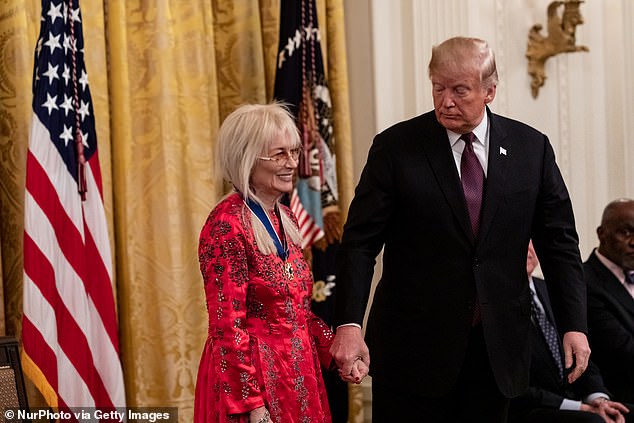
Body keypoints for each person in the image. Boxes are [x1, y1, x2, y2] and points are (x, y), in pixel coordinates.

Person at [330, 36, 590, 422]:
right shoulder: (396, 148)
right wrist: (349, 323)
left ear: (490, 91)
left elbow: (560, 243)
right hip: (413, 352)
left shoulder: (531, 148)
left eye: (459, 90)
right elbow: (360, 243)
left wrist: (574, 325)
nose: (445, 101)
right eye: (438, 88)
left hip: (496, 352)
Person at [193, 103, 366, 423]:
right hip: (253, 388)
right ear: (246, 159)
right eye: (279, 155)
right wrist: (253, 406)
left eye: (294, 151)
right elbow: (227, 328)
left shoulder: (286, 218)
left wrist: (337, 353)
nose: (291, 163)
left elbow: (298, 313)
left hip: (299, 378)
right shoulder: (226, 226)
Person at [509, 242, 632, 423]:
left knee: (623, 413)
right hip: (530, 407)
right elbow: (510, 382)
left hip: (575, 400)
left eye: (532, 240)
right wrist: (581, 407)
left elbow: (581, 356)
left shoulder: (552, 290)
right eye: (521, 240)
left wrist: (598, 399)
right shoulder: (490, 304)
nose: (527, 249)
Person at [585, 198, 634, 403]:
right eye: (625, 232)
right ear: (601, 234)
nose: (633, 241)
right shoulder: (584, 281)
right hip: (619, 395)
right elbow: (622, 352)